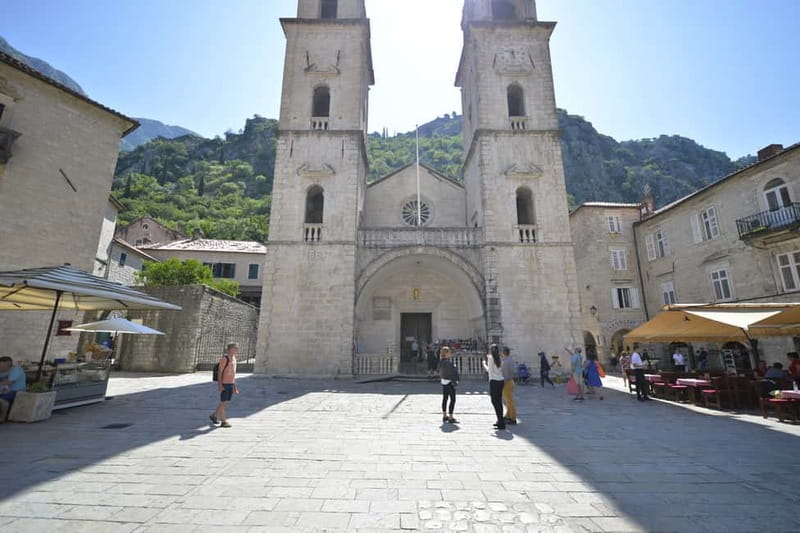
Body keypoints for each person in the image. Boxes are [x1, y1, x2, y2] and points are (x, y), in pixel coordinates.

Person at [210, 343, 238, 428]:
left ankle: (214, 415)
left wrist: (234, 384)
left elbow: (233, 373)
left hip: (230, 383)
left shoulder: (234, 359)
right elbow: (220, 372)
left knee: (224, 402)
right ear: (229, 349)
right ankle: (223, 421)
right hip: (225, 384)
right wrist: (220, 385)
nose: (237, 349)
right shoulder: (224, 359)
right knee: (224, 402)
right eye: (235, 348)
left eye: (237, 348)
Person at [484, 344, 506, 430]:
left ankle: (500, 421)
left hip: (494, 381)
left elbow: (489, 370)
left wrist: (483, 364)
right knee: (499, 402)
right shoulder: (500, 358)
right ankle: (500, 420)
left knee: (494, 402)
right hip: (501, 380)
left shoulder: (490, 358)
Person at [0, 356, 26, 422]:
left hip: (16, 391)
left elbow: (9, 382)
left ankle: (3, 418)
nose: (1, 368)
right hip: (4, 390)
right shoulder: (2, 371)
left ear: (9, 364)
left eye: (2, 366)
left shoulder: (16, 369)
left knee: (2, 400)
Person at [438, 346, 459, 423]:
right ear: (446, 353)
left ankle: (444, 415)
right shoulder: (448, 363)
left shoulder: (441, 361)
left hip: (443, 382)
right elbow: (451, 373)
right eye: (449, 352)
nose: (450, 354)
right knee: (452, 399)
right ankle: (450, 416)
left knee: (445, 399)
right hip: (449, 382)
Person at [500, 347, 517, 425]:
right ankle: (508, 415)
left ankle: (513, 418)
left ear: (504, 352)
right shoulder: (510, 359)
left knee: (509, 401)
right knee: (507, 400)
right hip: (510, 381)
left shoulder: (506, 361)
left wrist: (503, 381)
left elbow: (506, 373)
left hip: (507, 382)